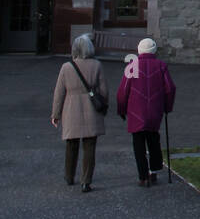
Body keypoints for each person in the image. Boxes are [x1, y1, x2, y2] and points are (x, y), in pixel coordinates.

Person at [51, 34, 107, 192]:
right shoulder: (97, 65)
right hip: (91, 109)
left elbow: (59, 93)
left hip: (71, 109)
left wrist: (56, 114)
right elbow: (104, 91)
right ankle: (86, 180)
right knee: (90, 145)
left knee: (71, 144)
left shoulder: (67, 67)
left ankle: (69, 176)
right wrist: (104, 106)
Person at [117, 38, 176, 188]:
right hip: (155, 110)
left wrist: (122, 109)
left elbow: (123, 91)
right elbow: (170, 88)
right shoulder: (161, 66)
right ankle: (153, 170)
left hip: (136, 111)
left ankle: (143, 177)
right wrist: (167, 107)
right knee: (153, 139)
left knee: (138, 144)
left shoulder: (133, 66)